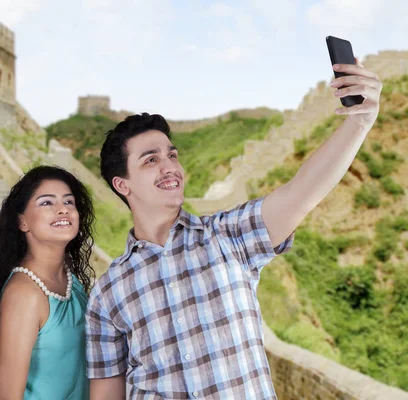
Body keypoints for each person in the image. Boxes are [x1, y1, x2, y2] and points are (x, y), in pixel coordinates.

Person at [86, 60, 382, 399]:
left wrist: (359, 122)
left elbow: (301, 192)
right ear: (123, 185)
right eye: (151, 160)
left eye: (172, 155)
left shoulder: (228, 236)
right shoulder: (107, 293)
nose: (170, 167)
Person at [0, 165, 95, 400]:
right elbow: (7, 396)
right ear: (22, 222)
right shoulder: (24, 293)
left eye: (69, 202)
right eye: (47, 203)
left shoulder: (71, 279)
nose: (62, 210)